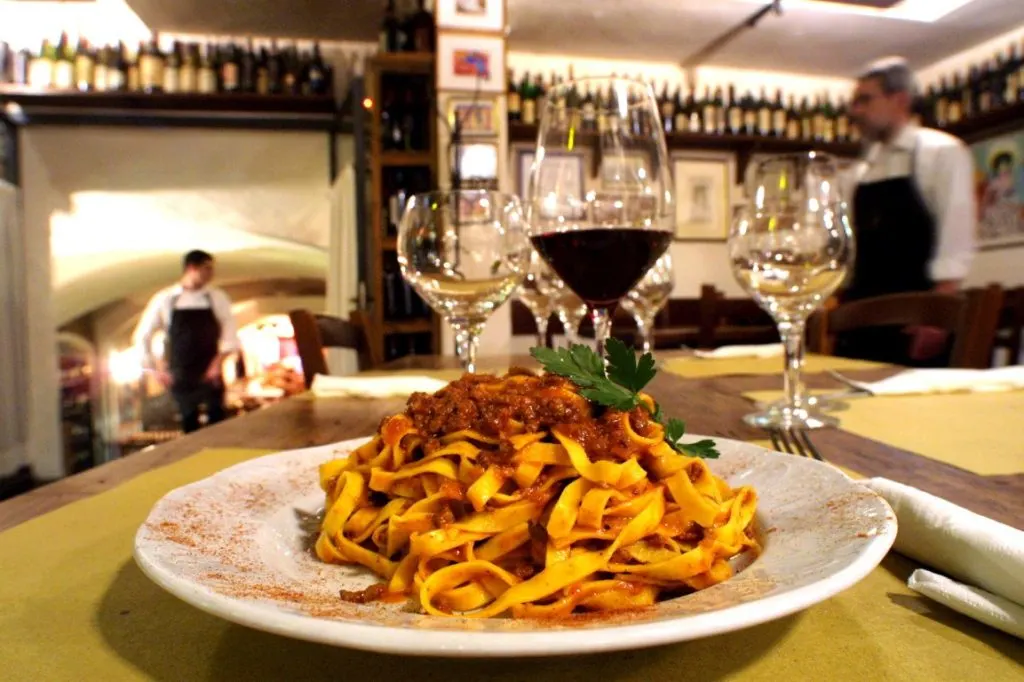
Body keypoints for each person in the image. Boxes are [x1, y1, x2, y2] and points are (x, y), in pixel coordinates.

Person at [841, 56, 977, 365]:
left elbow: (956, 239)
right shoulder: (860, 169)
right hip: (859, 319)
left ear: (900, 99)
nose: (855, 111)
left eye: (865, 100)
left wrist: (937, 318)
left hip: (916, 324)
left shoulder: (942, 151)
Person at [133, 250, 239, 433]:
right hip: (180, 373)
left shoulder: (216, 297)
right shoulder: (165, 299)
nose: (211, 273)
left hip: (210, 371)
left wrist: (217, 363)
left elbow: (230, 334)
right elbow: (142, 336)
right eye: (207, 268)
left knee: (218, 422)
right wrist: (154, 371)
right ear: (191, 268)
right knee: (189, 423)